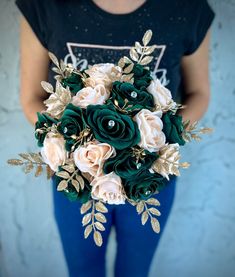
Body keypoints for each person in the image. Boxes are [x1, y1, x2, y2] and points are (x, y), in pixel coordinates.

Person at [16, 0, 215, 276]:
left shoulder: (186, 7)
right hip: (76, 177)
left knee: (136, 270)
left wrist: (148, 141)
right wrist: (79, 145)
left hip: (151, 179)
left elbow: (199, 94)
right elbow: (31, 99)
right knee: (82, 270)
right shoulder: (46, 6)